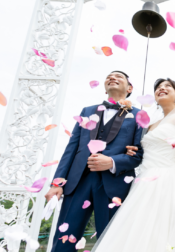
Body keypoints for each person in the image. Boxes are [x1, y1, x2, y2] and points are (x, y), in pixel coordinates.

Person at [91, 78, 175, 252]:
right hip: (143, 181)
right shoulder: (150, 125)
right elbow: (144, 151)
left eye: (167, 87)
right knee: (137, 231)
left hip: (168, 180)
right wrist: (133, 151)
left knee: (163, 231)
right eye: (158, 87)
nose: (161, 89)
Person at [45, 71, 144, 252]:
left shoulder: (139, 115)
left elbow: (138, 155)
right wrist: (56, 182)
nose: (112, 78)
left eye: (119, 77)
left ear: (130, 88)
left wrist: (112, 161)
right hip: (78, 182)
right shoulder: (87, 111)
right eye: (109, 76)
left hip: (114, 184)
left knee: (111, 242)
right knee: (63, 242)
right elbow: (71, 148)